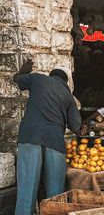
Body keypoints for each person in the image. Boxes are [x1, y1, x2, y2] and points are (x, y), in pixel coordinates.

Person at [13, 60, 82, 215]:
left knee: (27, 190)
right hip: (54, 140)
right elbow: (76, 126)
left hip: (30, 136)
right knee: (55, 193)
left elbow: (16, 79)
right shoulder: (67, 95)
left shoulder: (37, 78)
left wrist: (22, 72)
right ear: (66, 81)